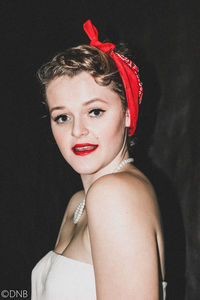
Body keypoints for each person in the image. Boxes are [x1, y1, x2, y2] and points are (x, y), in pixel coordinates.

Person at [31, 20, 167, 300]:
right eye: (62, 117)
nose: (77, 130)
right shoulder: (78, 204)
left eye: (94, 111)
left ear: (128, 114)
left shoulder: (114, 195)